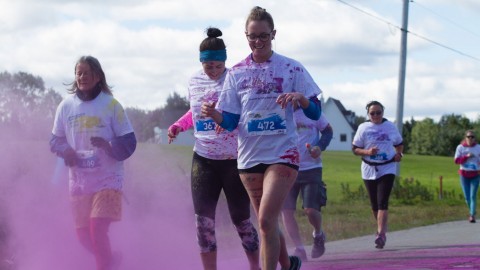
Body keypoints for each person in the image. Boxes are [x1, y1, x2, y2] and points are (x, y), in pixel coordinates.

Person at [201, 6, 322, 270]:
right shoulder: (236, 73)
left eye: (263, 37)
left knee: (266, 220)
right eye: (252, 37)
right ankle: (288, 264)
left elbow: (315, 112)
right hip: (249, 158)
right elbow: (232, 122)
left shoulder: (291, 68)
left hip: (283, 155)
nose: (257, 42)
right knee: (267, 223)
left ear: (273, 34)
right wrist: (215, 115)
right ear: (245, 36)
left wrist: (301, 99)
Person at [167, 28, 260, 270]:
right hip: (204, 158)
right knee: (203, 223)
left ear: (225, 62)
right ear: (201, 62)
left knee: (241, 221)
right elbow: (194, 112)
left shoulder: (235, 79)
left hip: (233, 159)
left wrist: (220, 117)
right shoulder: (194, 81)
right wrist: (179, 125)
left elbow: (243, 115)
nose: (214, 71)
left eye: (218, 66)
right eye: (209, 66)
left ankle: (255, 266)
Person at [49, 56, 136, 270]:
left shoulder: (111, 105)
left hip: (109, 179)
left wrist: (108, 146)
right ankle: (111, 260)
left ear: (98, 77)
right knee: (83, 237)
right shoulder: (66, 106)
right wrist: (66, 150)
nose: (82, 77)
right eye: (78, 73)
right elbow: (55, 140)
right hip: (79, 181)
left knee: (97, 229)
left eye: (86, 73)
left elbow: (129, 141)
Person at [352, 100, 403, 249]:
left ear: (383, 112)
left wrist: (399, 154)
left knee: (382, 202)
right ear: (368, 114)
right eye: (372, 113)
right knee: (374, 204)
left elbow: (399, 144)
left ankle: (381, 234)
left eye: (378, 112)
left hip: (387, 167)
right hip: (369, 168)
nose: (375, 115)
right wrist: (367, 152)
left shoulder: (390, 126)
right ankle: (381, 230)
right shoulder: (363, 127)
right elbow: (355, 149)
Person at [281, 113, 333, 262]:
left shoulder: (312, 110)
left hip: (311, 167)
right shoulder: (279, 110)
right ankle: (300, 248)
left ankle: (318, 234)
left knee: (310, 210)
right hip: (286, 167)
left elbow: (328, 131)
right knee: (286, 211)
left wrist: (319, 147)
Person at [454, 130, 480, 223]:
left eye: (472, 137)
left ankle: (472, 215)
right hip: (464, 174)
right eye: (469, 137)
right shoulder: (460, 148)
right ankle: (472, 210)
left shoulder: (478, 148)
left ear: (474, 138)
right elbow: (456, 161)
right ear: (465, 138)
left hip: (475, 174)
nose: (470, 138)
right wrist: (467, 156)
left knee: (473, 196)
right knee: (467, 197)